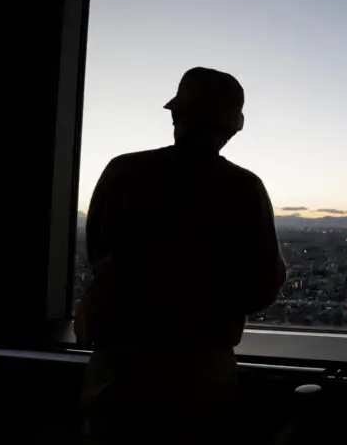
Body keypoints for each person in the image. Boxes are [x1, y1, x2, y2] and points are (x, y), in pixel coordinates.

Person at [76, 67, 287, 444]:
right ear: (233, 127)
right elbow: (260, 289)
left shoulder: (123, 171)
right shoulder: (242, 189)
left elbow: (98, 255)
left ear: (176, 115)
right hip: (199, 366)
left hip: (118, 360)